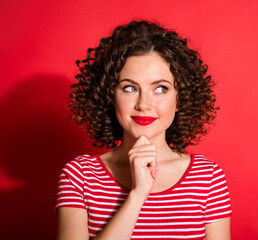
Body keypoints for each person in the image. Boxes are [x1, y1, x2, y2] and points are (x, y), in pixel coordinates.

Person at [55, 20, 232, 240]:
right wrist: (138, 195)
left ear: (180, 98)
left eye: (160, 88)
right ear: (110, 97)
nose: (143, 104)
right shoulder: (79, 176)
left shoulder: (208, 178)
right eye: (129, 88)